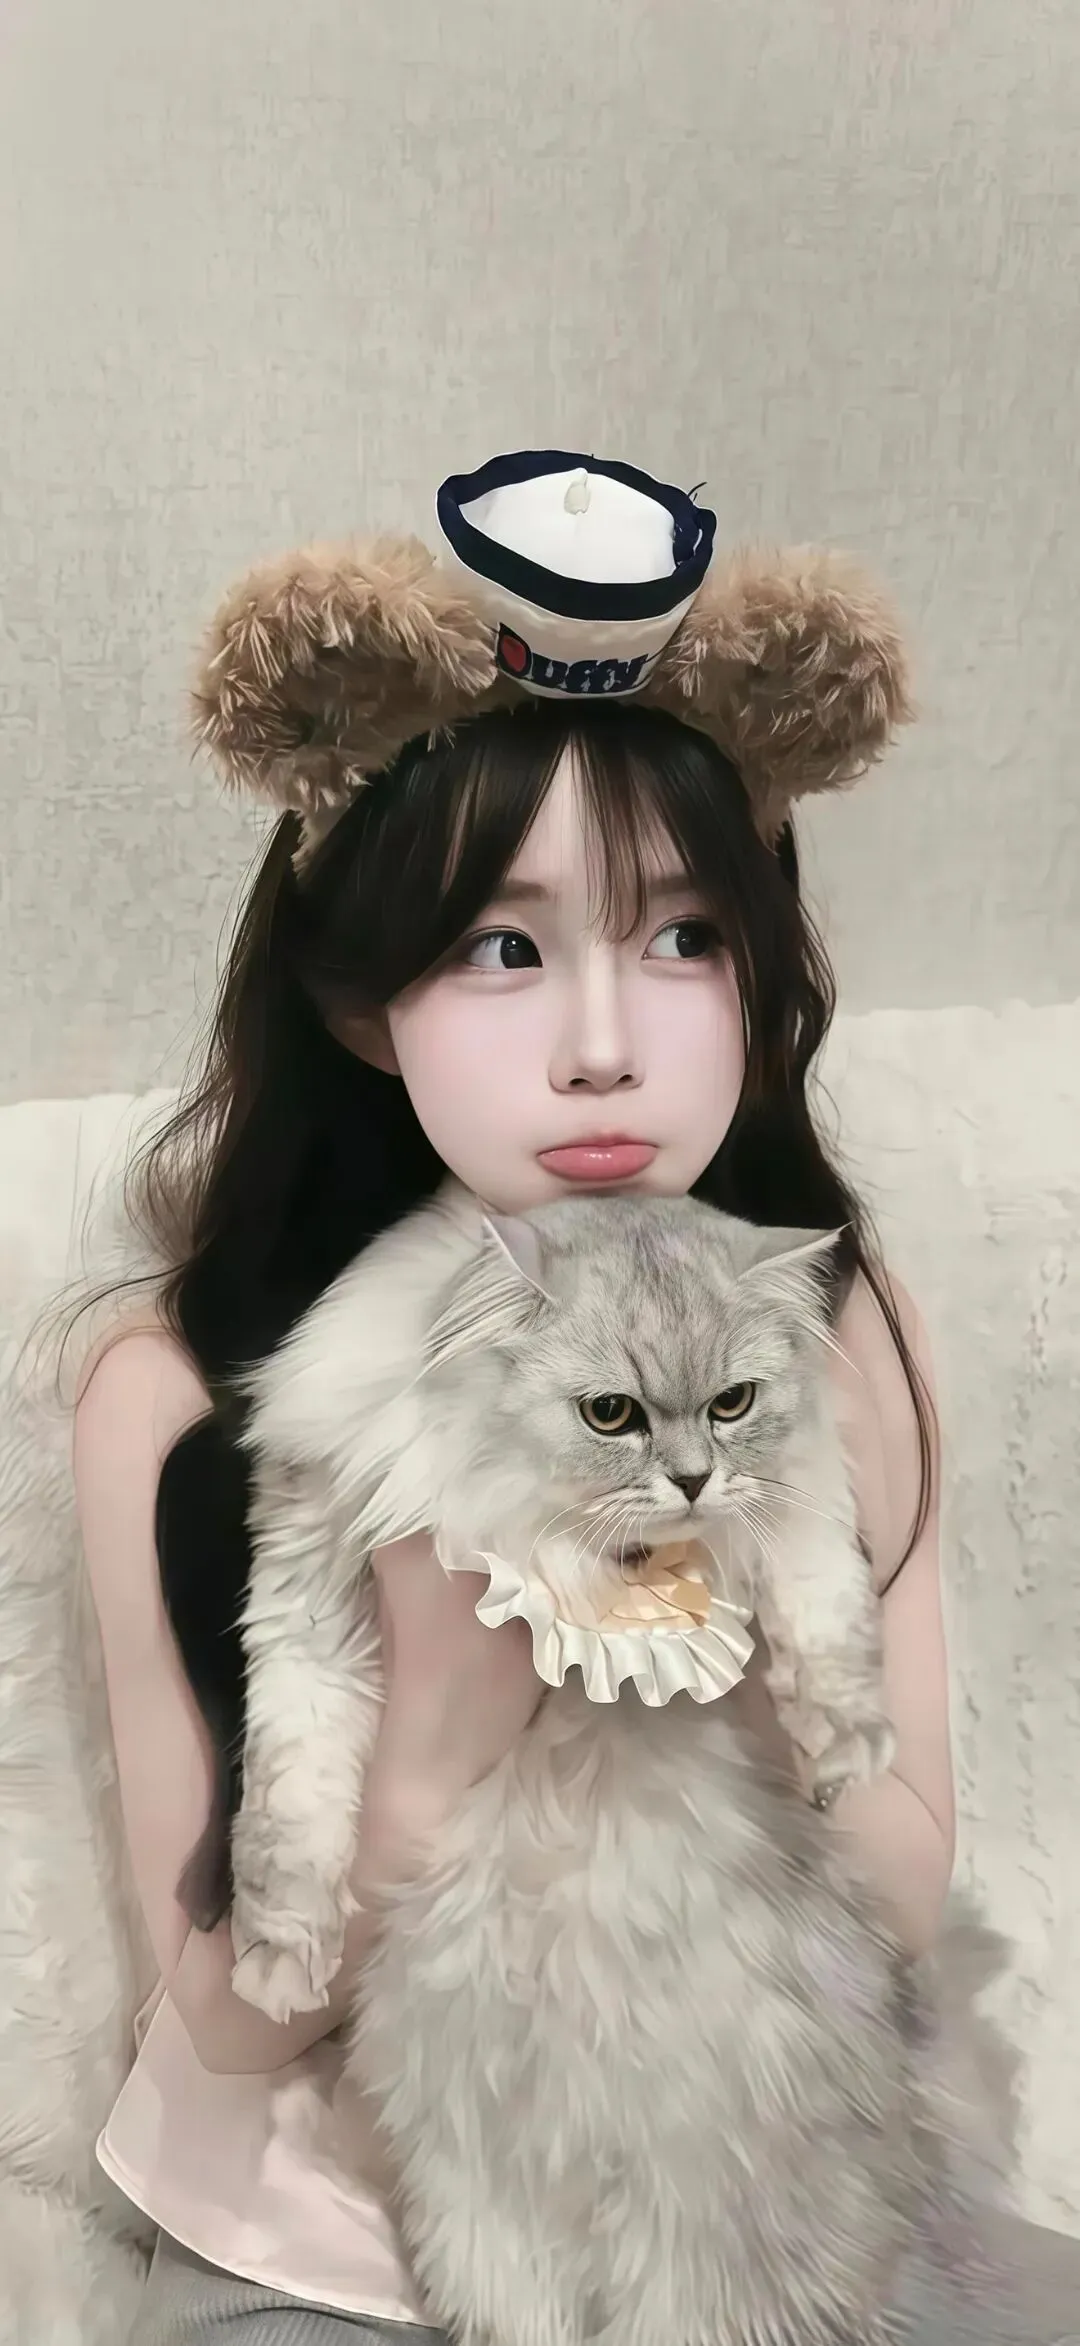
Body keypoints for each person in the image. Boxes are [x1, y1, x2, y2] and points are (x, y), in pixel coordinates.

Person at [71, 457, 1062, 2342]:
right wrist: (429, 1742)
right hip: (332, 2237)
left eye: (685, 937)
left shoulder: (832, 1324)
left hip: (750, 2194)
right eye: (504, 947)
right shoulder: (178, 1388)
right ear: (366, 1003)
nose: (603, 1044)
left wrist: (750, 1607)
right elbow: (218, 2021)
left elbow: (902, 1888)